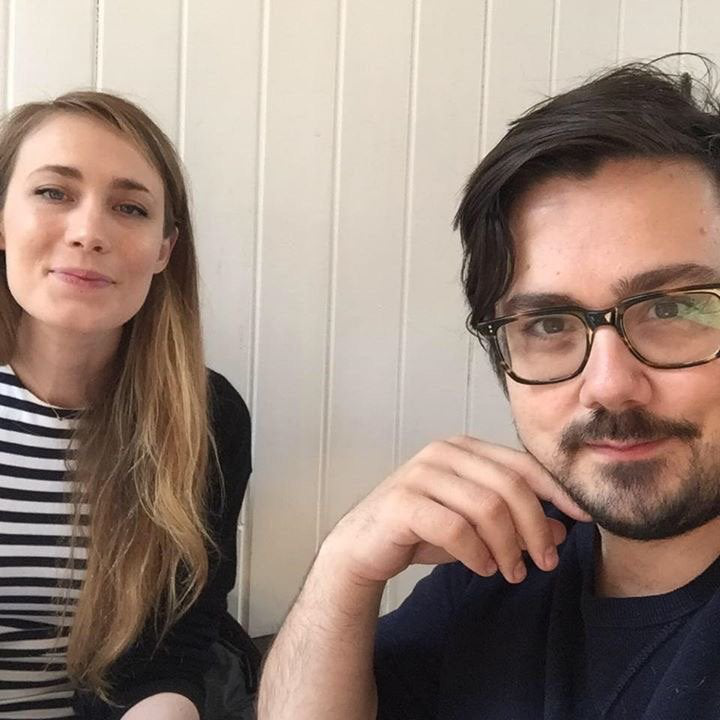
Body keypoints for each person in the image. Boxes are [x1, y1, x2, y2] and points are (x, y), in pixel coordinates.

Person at [258, 57, 720, 719]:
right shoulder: (505, 568)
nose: (609, 386)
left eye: (672, 308)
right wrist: (344, 571)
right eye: (549, 324)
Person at [0, 91, 252, 719]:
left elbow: (172, 650)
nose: (89, 233)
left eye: (130, 208)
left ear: (164, 250)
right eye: (53, 192)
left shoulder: (207, 416)